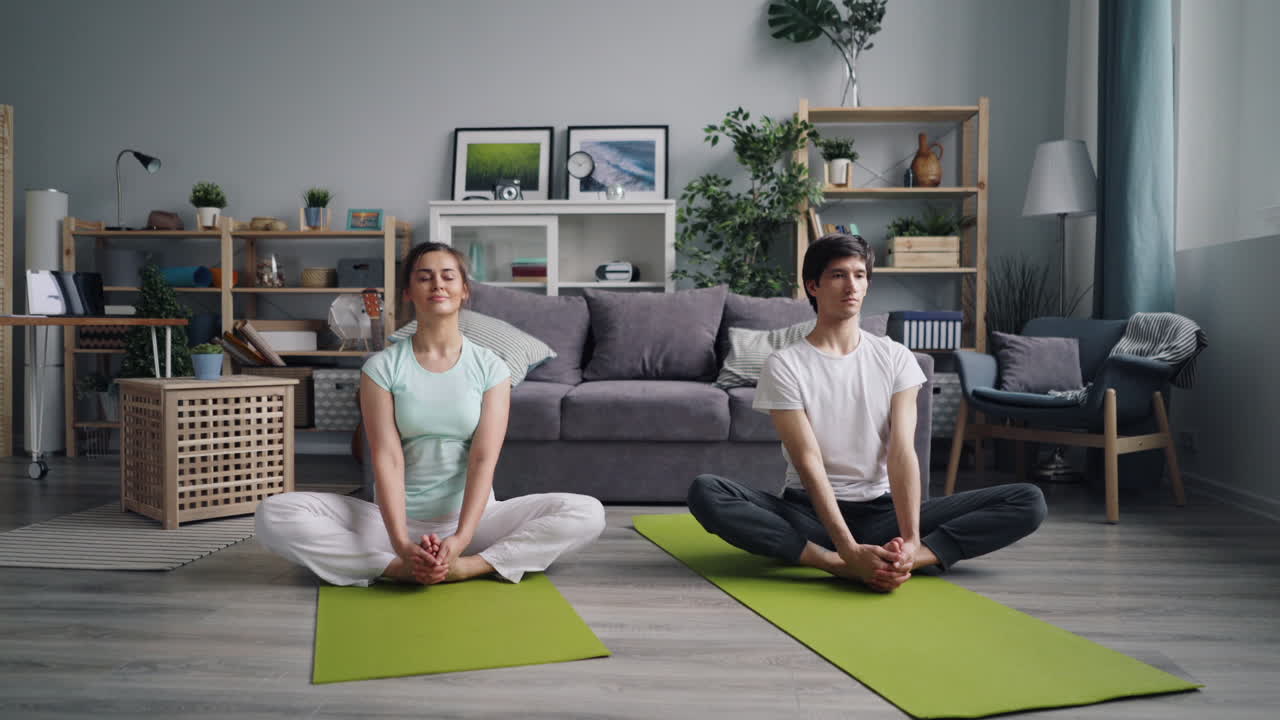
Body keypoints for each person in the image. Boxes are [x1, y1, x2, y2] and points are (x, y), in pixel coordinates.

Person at [687, 234, 1045, 592]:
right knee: (706, 492)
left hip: (882, 515)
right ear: (813, 286)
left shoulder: (896, 358)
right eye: (838, 275)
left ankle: (911, 560)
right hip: (810, 515)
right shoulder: (785, 364)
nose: (852, 285)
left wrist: (911, 541)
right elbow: (808, 460)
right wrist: (845, 549)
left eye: (859, 275)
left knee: (1028, 500)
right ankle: (832, 563)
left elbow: (902, 451)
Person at [256, 242, 605, 586]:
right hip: (392, 524)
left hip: (476, 523)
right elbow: (387, 459)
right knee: (275, 512)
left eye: (448, 276)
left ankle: (471, 567)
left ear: (464, 290)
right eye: (424, 277)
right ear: (408, 292)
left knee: (587, 512)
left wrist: (461, 540)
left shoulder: (492, 367)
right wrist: (400, 545)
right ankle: (397, 568)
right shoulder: (381, 368)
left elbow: (483, 459)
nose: (437, 284)